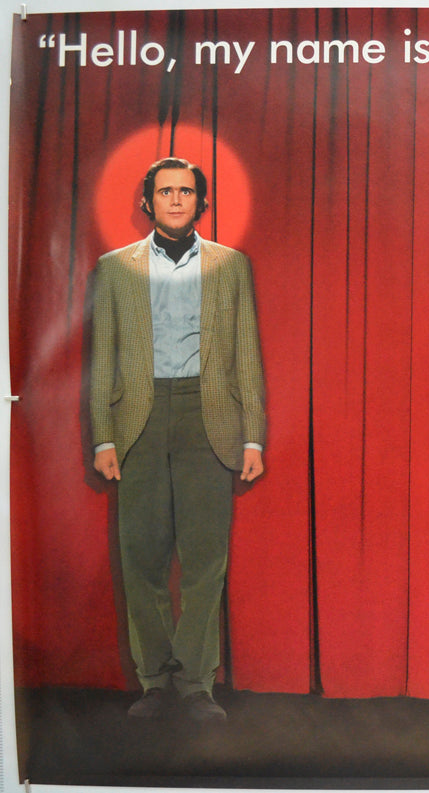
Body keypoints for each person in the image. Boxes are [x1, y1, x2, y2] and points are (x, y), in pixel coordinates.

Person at [90, 157, 265, 722]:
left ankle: (195, 684)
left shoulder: (229, 265)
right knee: (141, 558)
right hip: (138, 420)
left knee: (205, 559)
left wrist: (254, 438)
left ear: (200, 202)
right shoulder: (115, 268)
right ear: (147, 202)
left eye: (185, 191)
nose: (174, 199)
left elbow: (246, 354)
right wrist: (103, 438)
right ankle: (154, 682)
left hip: (207, 417)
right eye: (164, 191)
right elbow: (103, 359)